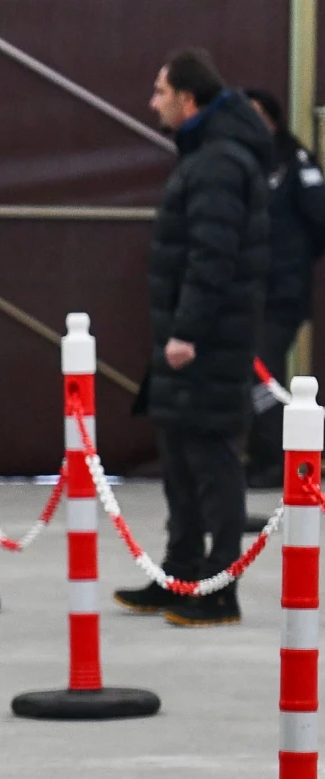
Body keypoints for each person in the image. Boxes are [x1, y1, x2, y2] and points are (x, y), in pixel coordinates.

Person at [116, 50, 273, 627]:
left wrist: (186, 332)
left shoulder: (218, 163)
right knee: (180, 457)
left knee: (212, 459)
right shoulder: (206, 156)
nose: (153, 103)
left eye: (160, 92)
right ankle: (180, 574)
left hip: (207, 343)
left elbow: (213, 256)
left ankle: (220, 585)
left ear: (189, 98)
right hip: (192, 340)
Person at [241, 88, 325, 489]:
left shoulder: (294, 160)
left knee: (263, 374)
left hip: (283, 292)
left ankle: (277, 458)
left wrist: (292, 260)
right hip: (250, 291)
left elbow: (319, 218)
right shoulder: (244, 163)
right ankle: (262, 456)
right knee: (254, 373)